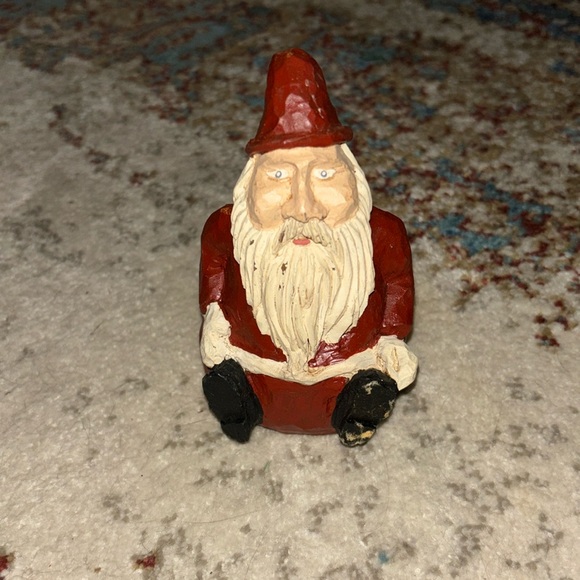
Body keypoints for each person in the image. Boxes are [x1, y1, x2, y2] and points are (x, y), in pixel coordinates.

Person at [199, 48, 418, 446]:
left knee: (365, 388)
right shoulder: (225, 226)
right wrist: (214, 312)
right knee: (233, 382)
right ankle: (238, 402)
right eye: (278, 176)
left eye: (324, 174)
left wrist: (390, 336)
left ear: (353, 179)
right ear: (249, 184)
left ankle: (358, 408)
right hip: (255, 370)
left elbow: (397, 285)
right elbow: (214, 264)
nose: (303, 208)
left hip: (345, 375)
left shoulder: (383, 232)